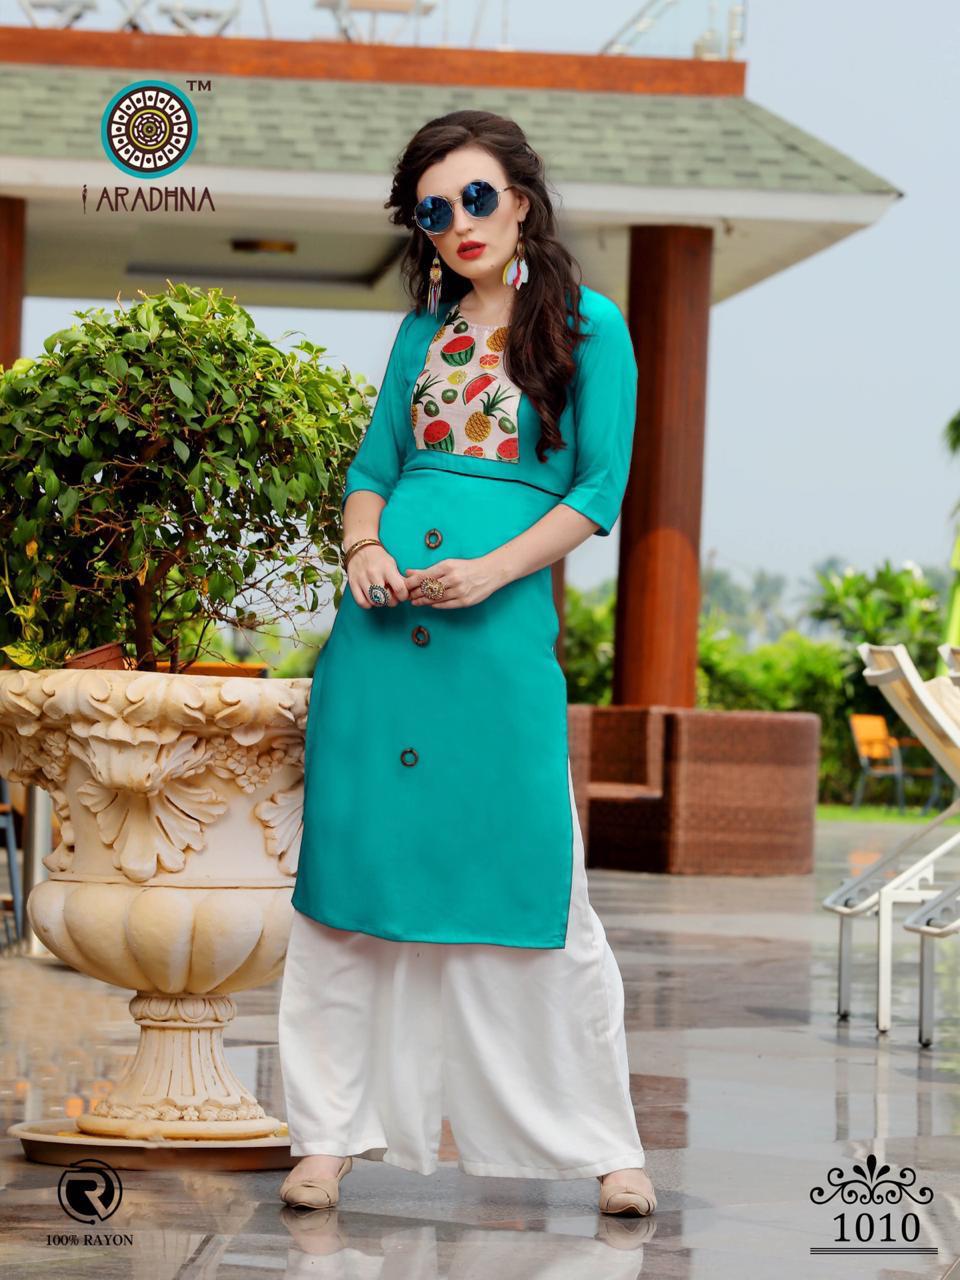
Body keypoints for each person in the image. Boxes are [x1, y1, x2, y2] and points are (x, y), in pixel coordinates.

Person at [277, 109, 657, 1219]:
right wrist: (363, 548)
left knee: (533, 882)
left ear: (522, 201)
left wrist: (492, 571)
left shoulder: (590, 328)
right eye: (434, 209)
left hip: (494, 647)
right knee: (349, 891)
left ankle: (603, 1144)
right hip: (379, 647)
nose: (459, 222)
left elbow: (597, 490)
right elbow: (371, 470)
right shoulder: (421, 334)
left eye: (477, 197)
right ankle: (327, 1136)